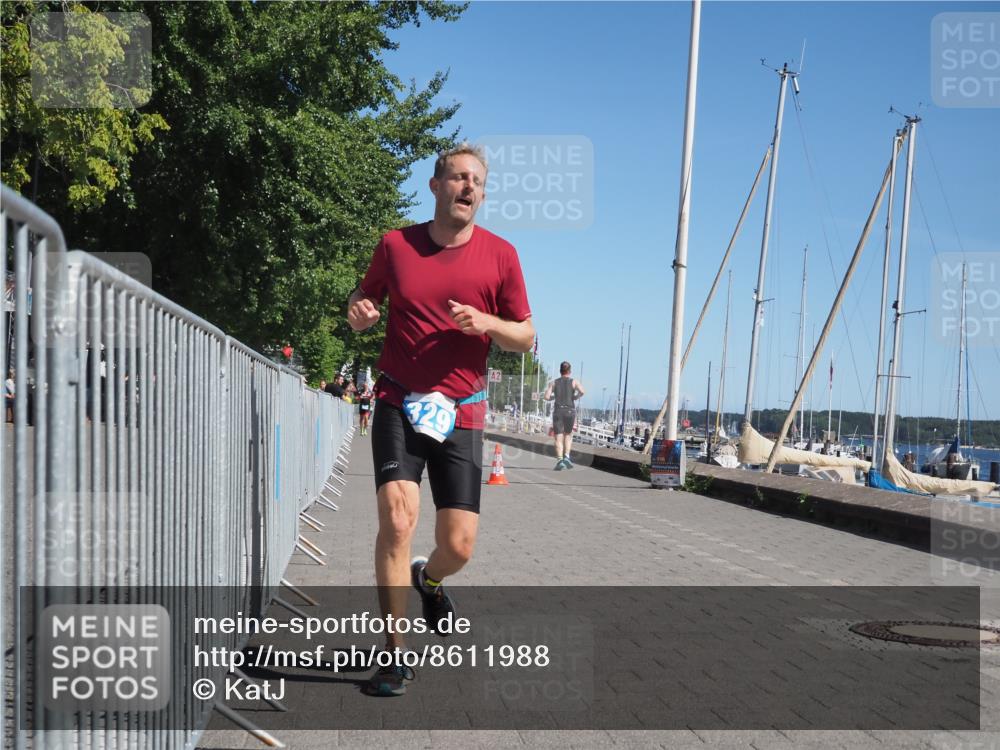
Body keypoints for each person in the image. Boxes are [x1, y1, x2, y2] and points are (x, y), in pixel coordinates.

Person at [347, 143, 534, 697]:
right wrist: (357, 312)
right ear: (435, 186)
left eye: (477, 180)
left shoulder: (501, 255)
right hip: (398, 401)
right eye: (457, 178)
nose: (468, 187)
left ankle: (429, 580)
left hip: (464, 411)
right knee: (398, 522)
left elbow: (526, 336)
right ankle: (394, 655)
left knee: (460, 545)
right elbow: (362, 300)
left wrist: (487, 322)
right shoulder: (396, 245)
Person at [543, 362, 584, 469]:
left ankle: (560, 460)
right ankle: (567, 457)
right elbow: (583, 391)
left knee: (558, 437)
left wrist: (553, 397)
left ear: (560, 371)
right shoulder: (574, 382)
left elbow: (546, 397)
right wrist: (575, 397)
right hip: (570, 411)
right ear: (569, 371)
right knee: (568, 435)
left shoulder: (553, 383)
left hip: (558, 412)